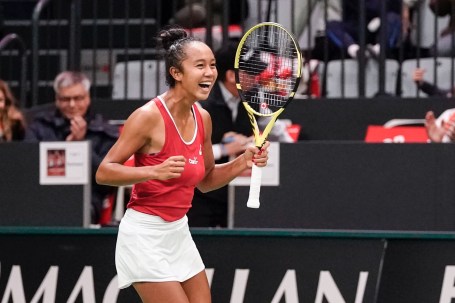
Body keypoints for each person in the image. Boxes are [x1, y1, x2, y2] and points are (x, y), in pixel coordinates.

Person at [95, 26, 269, 302]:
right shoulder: (147, 117)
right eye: (199, 66)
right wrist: (153, 170)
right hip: (144, 235)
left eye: (212, 65)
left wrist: (243, 160)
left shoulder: (203, 119)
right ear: (176, 73)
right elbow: (104, 172)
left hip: (178, 232)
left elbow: (206, 180)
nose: (210, 73)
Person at [24, 71, 119, 225]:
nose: (72, 105)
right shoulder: (39, 126)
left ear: (87, 98)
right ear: (57, 100)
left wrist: (79, 147)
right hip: (40, 196)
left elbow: (108, 180)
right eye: (66, 99)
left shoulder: (104, 131)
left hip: (87, 199)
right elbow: (26, 165)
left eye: (78, 98)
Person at [187, 41, 253, 228]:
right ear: (232, 76)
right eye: (250, 70)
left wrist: (249, 142)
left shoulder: (252, 102)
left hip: (233, 195)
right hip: (198, 196)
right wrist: (224, 148)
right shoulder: (200, 104)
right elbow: (188, 153)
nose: (257, 76)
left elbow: (279, 133)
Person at [325, 0, 402, 59]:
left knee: (394, 18)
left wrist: (379, 19)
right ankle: (356, 51)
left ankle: (378, 50)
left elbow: (395, 8)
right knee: (331, 25)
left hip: (381, 27)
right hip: (357, 28)